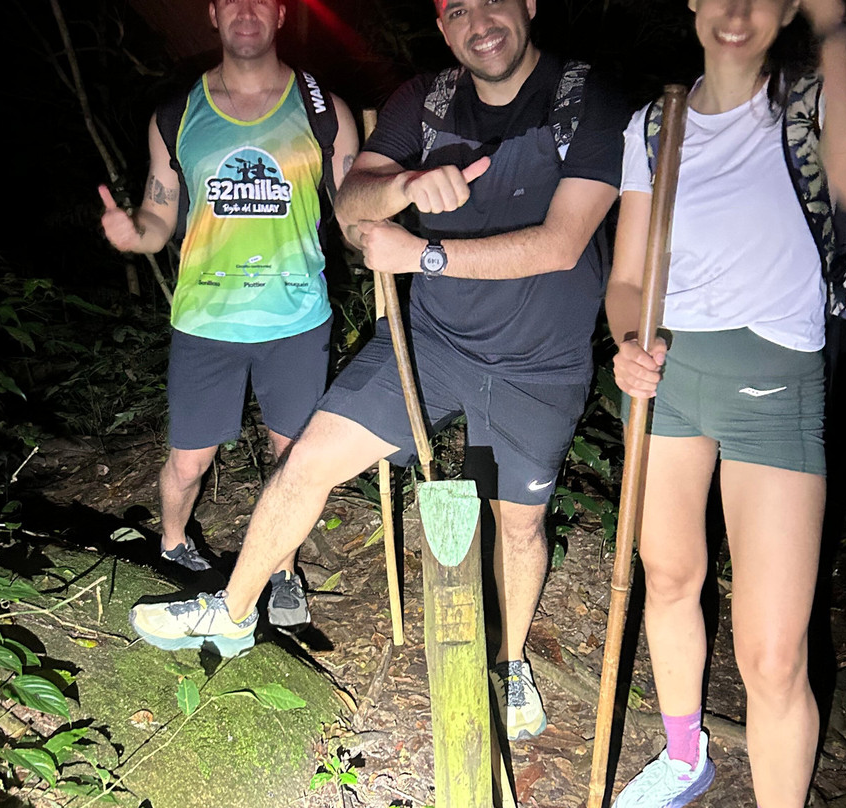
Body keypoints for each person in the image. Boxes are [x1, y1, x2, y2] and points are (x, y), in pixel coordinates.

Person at [129, 0, 628, 742]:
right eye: (458, 8)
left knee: (515, 523)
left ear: (530, 4)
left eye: (494, 0)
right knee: (308, 461)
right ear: (441, 25)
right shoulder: (422, 101)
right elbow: (355, 197)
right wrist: (404, 189)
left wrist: (422, 253)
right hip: (428, 345)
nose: (479, 20)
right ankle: (232, 612)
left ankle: (510, 660)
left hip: (536, 366)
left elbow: (562, 243)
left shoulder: (587, 101)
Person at [606, 0, 846, 805]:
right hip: (669, 378)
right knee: (667, 577)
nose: (737, 10)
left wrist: (836, 37)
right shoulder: (655, 125)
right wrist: (628, 343)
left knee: (773, 656)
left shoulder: (813, 100)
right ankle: (686, 754)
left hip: (775, 385)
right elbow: (628, 280)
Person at [98, 0, 358, 626]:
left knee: (291, 460)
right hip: (206, 319)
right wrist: (137, 234)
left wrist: (390, 219)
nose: (246, 9)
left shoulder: (324, 110)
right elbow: (161, 215)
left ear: (280, 12)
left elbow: (353, 213)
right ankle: (173, 543)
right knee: (190, 460)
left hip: (295, 319)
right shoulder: (178, 113)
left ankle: (283, 571)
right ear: (213, 14)